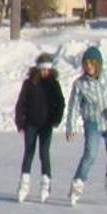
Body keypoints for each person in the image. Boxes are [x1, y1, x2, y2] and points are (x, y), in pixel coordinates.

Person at [65, 44, 107, 205]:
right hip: (92, 123)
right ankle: (77, 184)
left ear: (98, 64)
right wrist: (71, 126)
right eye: (86, 64)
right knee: (90, 154)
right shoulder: (80, 84)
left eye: (92, 64)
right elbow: (74, 106)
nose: (89, 67)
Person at [14, 52, 65, 203]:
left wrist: (56, 119)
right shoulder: (29, 84)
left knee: (44, 153)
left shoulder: (53, 84)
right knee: (29, 152)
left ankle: (46, 184)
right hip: (31, 124)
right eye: (42, 69)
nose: (45, 72)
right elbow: (21, 103)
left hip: (46, 125)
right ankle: (24, 183)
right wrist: (20, 121)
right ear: (37, 69)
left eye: (47, 70)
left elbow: (60, 103)